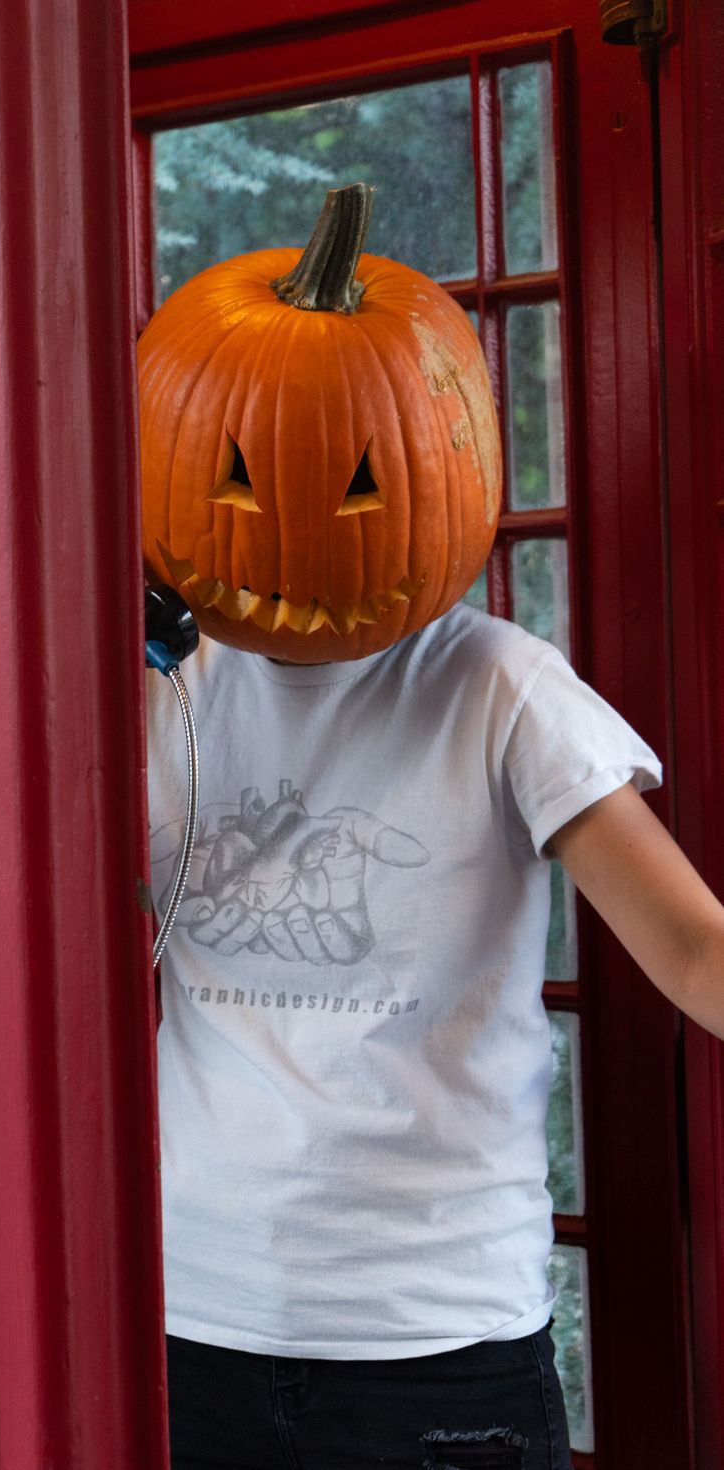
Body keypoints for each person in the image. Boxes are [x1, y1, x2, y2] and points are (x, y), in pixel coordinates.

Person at [140, 186, 724, 1470]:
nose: (284, 532)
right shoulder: (147, 690)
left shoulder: (500, 688)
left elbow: (692, 952)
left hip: (435, 1339)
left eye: (356, 486)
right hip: (184, 1312)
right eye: (232, 477)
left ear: (447, 467)